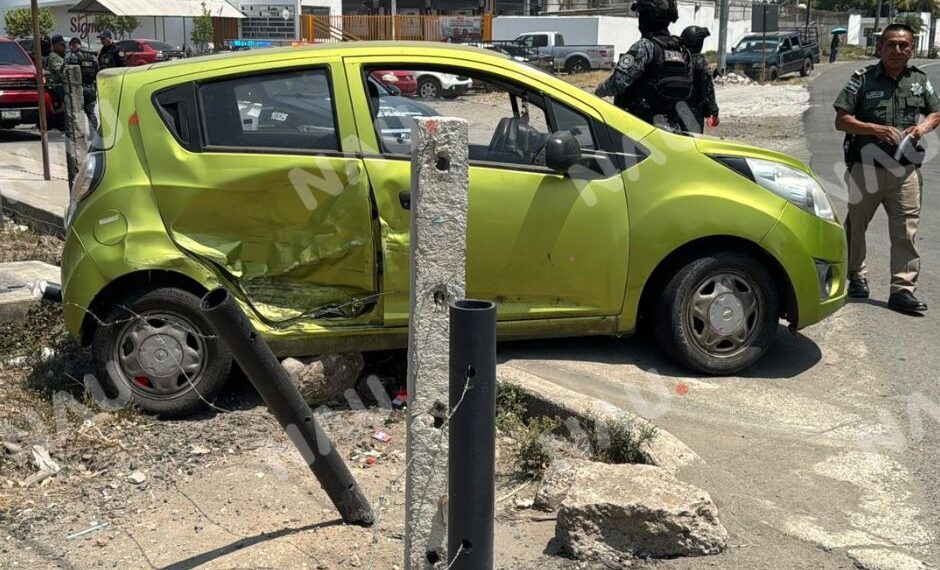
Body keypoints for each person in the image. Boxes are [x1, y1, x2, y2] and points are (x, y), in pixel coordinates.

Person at [833, 23, 939, 314]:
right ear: (879, 47)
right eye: (891, 44)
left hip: (904, 171)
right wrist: (875, 129)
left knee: (906, 231)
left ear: (912, 49)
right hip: (865, 169)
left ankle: (902, 290)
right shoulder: (862, 79)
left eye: (903, 45)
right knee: (856, 226)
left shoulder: (919, 80)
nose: (897, 50)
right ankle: (857, 277)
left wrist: (923, 127)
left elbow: (935, 111)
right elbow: (841, 120)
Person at [595, 0, 694, 131]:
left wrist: (596, 93)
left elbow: (618, 82)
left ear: (649, 17)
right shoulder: (680, 50)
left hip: (640, 127)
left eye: (641, 14)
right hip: (672, 128)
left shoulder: (645, 46)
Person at [680, 25, 719, 133]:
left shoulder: (678, 58)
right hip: (693, 110)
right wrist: (714, 112)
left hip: (675, 109)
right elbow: (708, 90)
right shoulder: (700, 62)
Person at [66, 37, 99, 132]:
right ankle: (94, 135)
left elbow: (64, 69)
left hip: (77, 89)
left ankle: (80, 134)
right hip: (91, 88)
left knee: (77, 112)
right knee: (91, 113)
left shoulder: (71, 55)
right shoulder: (92, 56)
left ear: (72, 45)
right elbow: (98, 71)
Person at [45, 35, 67, 111]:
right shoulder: (53, 56)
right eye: (61, 44)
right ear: (55, 45)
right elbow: (59, 71)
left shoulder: (64, 55)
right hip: (58, 84)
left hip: (66, 84)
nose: (63, 46)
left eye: (64, 44)